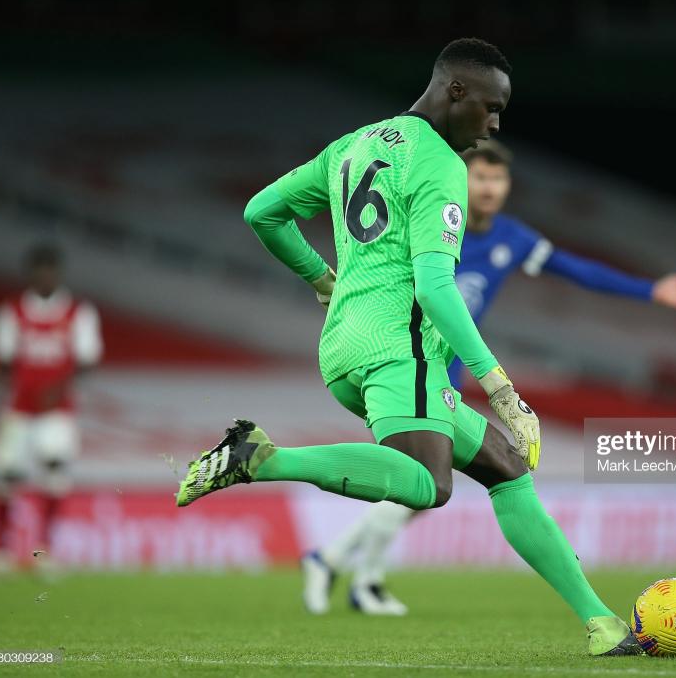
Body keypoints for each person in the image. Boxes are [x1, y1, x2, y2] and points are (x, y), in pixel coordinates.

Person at [175, 38, 642, 656]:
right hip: (402, 349)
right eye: (491, 107)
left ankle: (602, 624)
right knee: (430, 484)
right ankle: (264, 459)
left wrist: (321, 278)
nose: (495, 123)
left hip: (343, 345)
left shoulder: (354, 145)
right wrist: (502, 388)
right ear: (455, 91)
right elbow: (435, 286)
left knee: (506, 469)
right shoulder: (442, 164)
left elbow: (263, 212)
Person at [303, 140, 676, 616]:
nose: (489, 188)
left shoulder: (511, 239)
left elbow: (574, 269)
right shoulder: (426, 221)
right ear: (459, 180)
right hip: (403, 366)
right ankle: (349, 572)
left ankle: (342, 568)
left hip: (446, 371)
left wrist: (650, 291)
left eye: (497, 179)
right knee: (423, 480)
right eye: (480, 177)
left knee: (421, 483)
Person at [0, 244, 103, 571]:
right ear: (30, 273)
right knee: (6, 477)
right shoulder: (13, 311)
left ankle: (44, 552)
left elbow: (87, 359)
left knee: (54, 475)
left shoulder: (78, 312)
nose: (45, 276)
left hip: (57, 410)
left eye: (50, 270)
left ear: (58, 273)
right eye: (39, 270)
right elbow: (4, 361)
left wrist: (61, 387)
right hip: (19, 409)